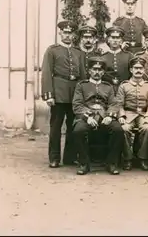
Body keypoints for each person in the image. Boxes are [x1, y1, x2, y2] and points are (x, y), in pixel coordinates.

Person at [41, 20, 86, 168]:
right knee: (56, 127)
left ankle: (70, 157)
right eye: (65, 32)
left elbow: (83, 75)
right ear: (60, 33)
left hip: (75, 92)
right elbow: (47, 73)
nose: (67, 35)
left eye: (70, 33)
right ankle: (54, 158)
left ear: (73, 35)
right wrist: (49, 95)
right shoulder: (52, 50)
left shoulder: (78, 53)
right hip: (59, 92)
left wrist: (84, 95)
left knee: (73, 126)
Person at [71, 57, 125, 175]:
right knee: (78, 131)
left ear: (103, 72)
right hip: (86, 116)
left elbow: (113, 104)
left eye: (100, 70)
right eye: (94, 69)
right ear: (89, 71)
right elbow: (77, 105)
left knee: (118, 130)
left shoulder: (108, 86)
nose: (97, 72)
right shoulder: (81, 85)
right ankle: (84, 163)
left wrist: (110, 116)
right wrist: (87, 118)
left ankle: (111, 163)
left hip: (104, 115)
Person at [109, 56, 148, 171]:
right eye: (135, 68)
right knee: (124, 129)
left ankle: (143, 158)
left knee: (147, 128)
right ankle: (127, 158)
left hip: (143, 115)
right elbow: (119, 103)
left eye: (141, 68)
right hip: (128, 114)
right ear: (131, 70)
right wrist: (121, 116)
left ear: (144, 70)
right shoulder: (124, 85)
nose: (138, 70)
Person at [101, 26, 133, 92]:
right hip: (107, 91)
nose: (115, 40)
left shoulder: (129, 56)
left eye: (118, 38)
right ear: (108, 40)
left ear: (121, 41)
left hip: (125, 90)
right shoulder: (102, 57)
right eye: (113, 37)